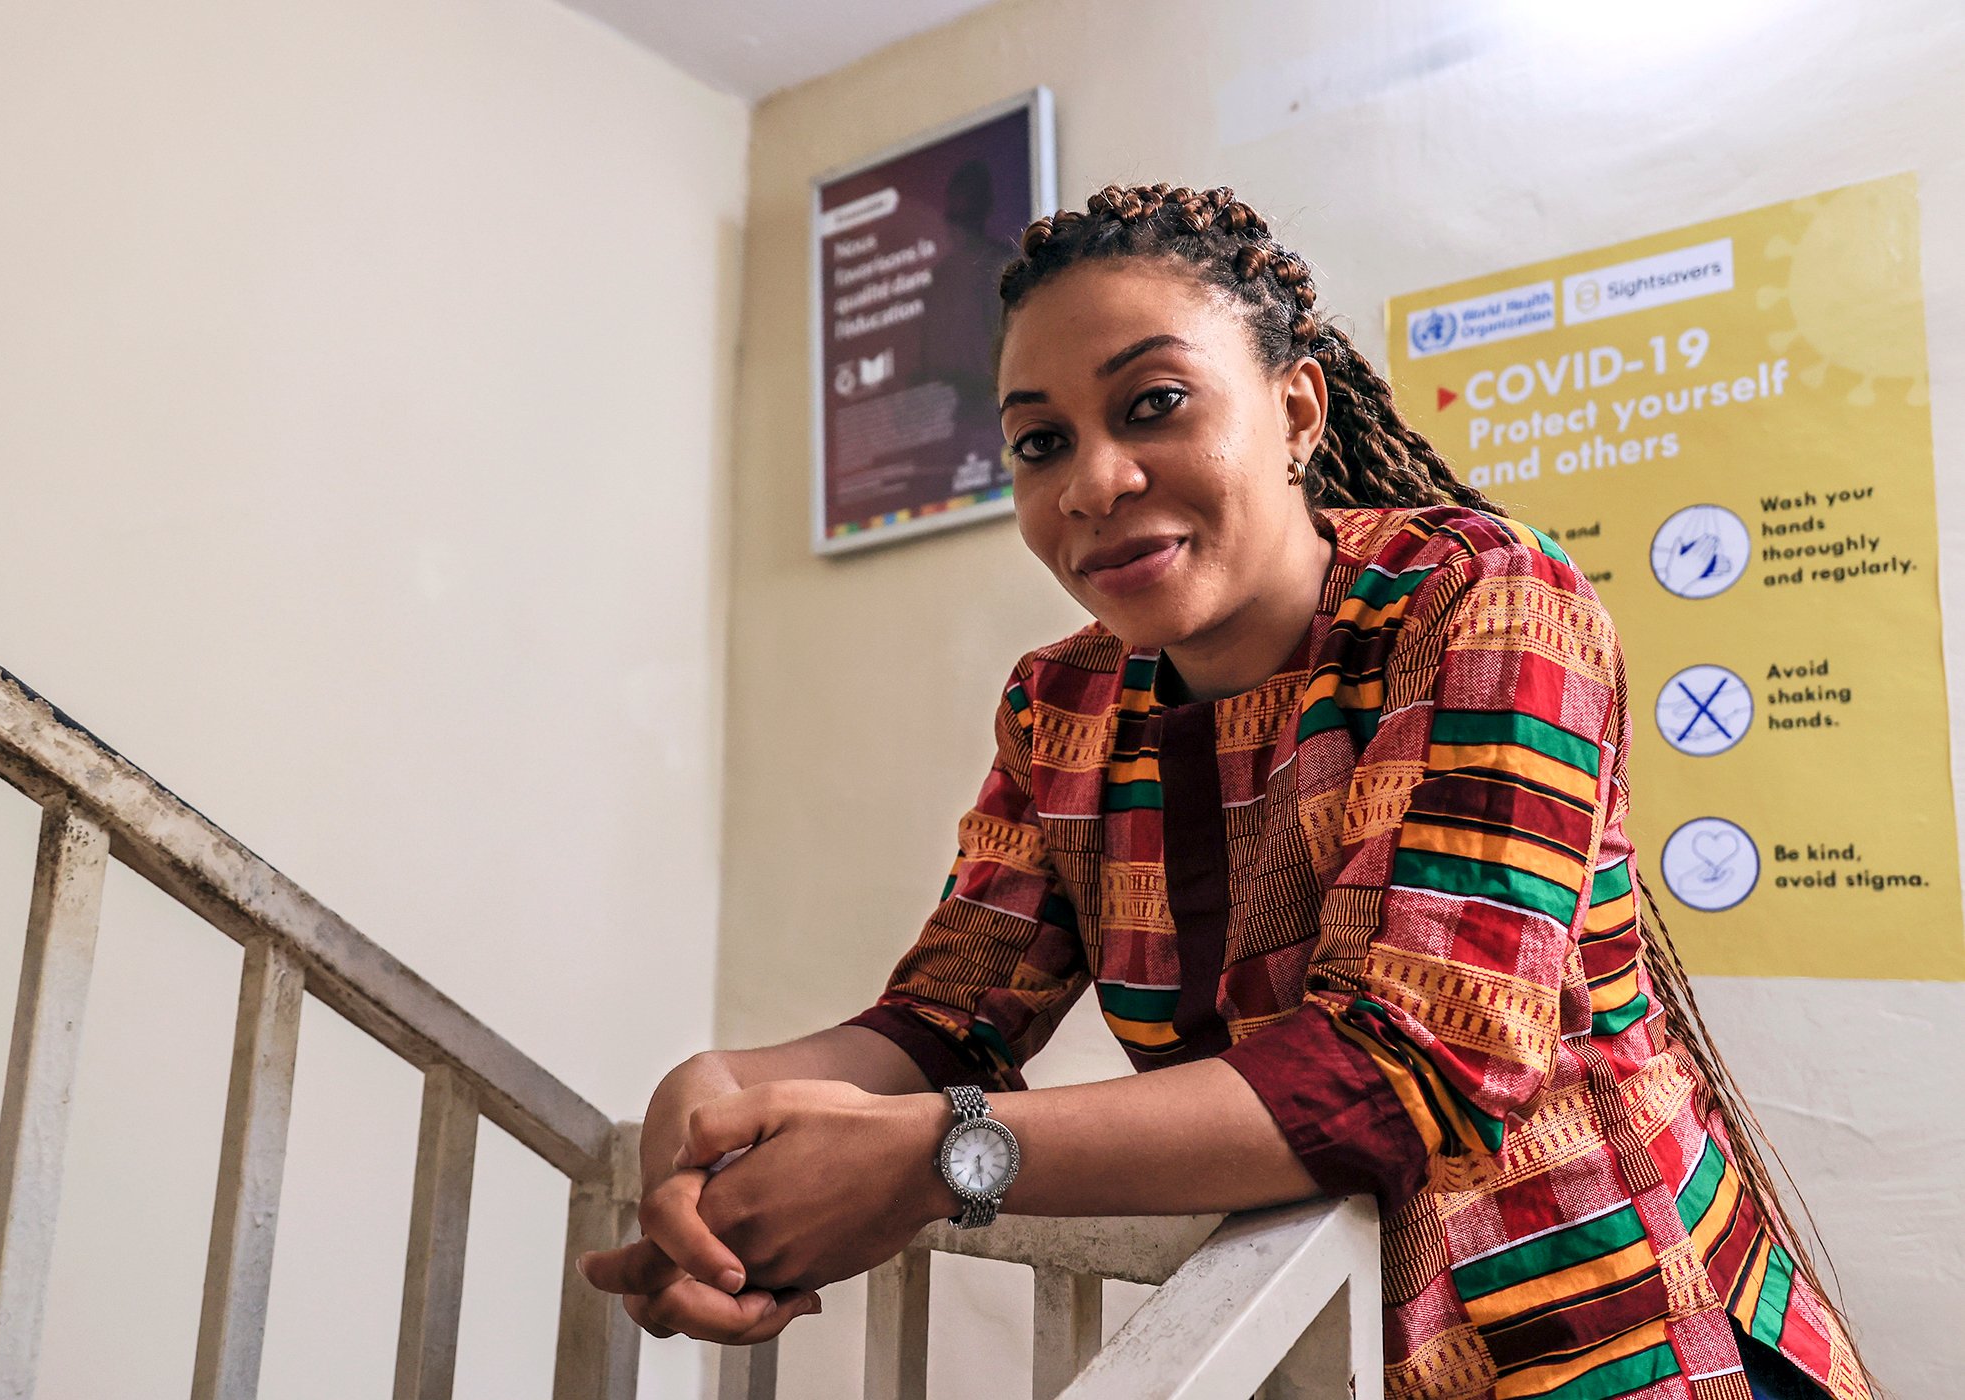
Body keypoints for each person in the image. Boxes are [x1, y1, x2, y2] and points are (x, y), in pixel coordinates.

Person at [579, 184, 1871, 1400]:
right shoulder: (1062, 703)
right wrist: (721, 1092)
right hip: (1337, 1342)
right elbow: (952, 1020)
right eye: (1040, 441)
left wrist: (937, 1158)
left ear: (1298, 413)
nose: (1091, 482)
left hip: (1629, 1340)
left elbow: (1411, 1068)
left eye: (1152, 404)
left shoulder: (1481, 602)